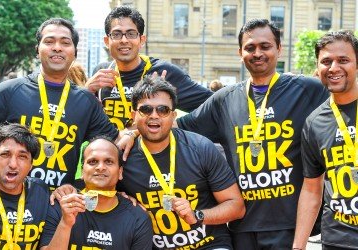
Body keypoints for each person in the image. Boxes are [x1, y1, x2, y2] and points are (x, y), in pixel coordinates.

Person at [176, 19, 329, 249]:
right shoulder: (224, 100)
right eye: (250, 47)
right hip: (242, 223)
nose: (257, 53)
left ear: (279, 49)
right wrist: (132, 132)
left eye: (265, 46)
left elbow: (344, 111)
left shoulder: (308, 90)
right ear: (240, 52)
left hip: (289, 224)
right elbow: (177, 127)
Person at [0, 18, 133, 189]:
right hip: (12, 201)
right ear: (37, 50)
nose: (57, 47)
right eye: (49, 41)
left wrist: (135, 131)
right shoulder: (12, 90)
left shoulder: (86, 101)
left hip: (59, 205)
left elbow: (117, 142)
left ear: (75, 52)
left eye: (65, 42)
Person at [117, 76, 244, 249]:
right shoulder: (122, 158)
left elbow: (236, 207)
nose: (154, 116)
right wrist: (119, 198)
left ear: (173, 115)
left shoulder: (200, 148)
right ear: (133, 115)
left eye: (163, 110)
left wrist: (197, 215)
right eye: (146, 109)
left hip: (209, 244)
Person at [86, 6, 213, 130]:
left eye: (131, 34)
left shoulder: (165, 72)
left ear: (142, 40)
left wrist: (180, 124)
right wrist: (86, 91)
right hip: (110, 148)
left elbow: (215, 104)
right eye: (117, 34)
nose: (124, 40)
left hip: (149, 150)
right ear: (107, 41)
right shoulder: (101, 72)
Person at [293, 30, 358, 250]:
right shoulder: (313, 123)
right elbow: (312, 190)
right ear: (318, 67)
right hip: (337, 239)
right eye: (326, 61)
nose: (334, 68)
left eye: (343, 60)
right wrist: (298, 246)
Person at [40, 136, 153, 249]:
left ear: (120, 172)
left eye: (108, 162)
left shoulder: (138, 218)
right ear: (82, 171)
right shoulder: (61, 205)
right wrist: (65, 224)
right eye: (93, 161)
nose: (100, 167)